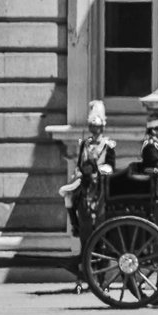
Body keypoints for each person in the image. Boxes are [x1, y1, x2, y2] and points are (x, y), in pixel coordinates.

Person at [58, 100, 116, 236]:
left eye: (97, 127)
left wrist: (98, 170)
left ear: (102, 128)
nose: (95, 130)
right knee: (68, 196)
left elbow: (111, 166)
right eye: (92, 127)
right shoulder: (84, 144)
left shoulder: (108, 145)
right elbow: (79, 163)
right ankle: (75, 225)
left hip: (100, 180)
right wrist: (80, 173)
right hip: (84, 179)